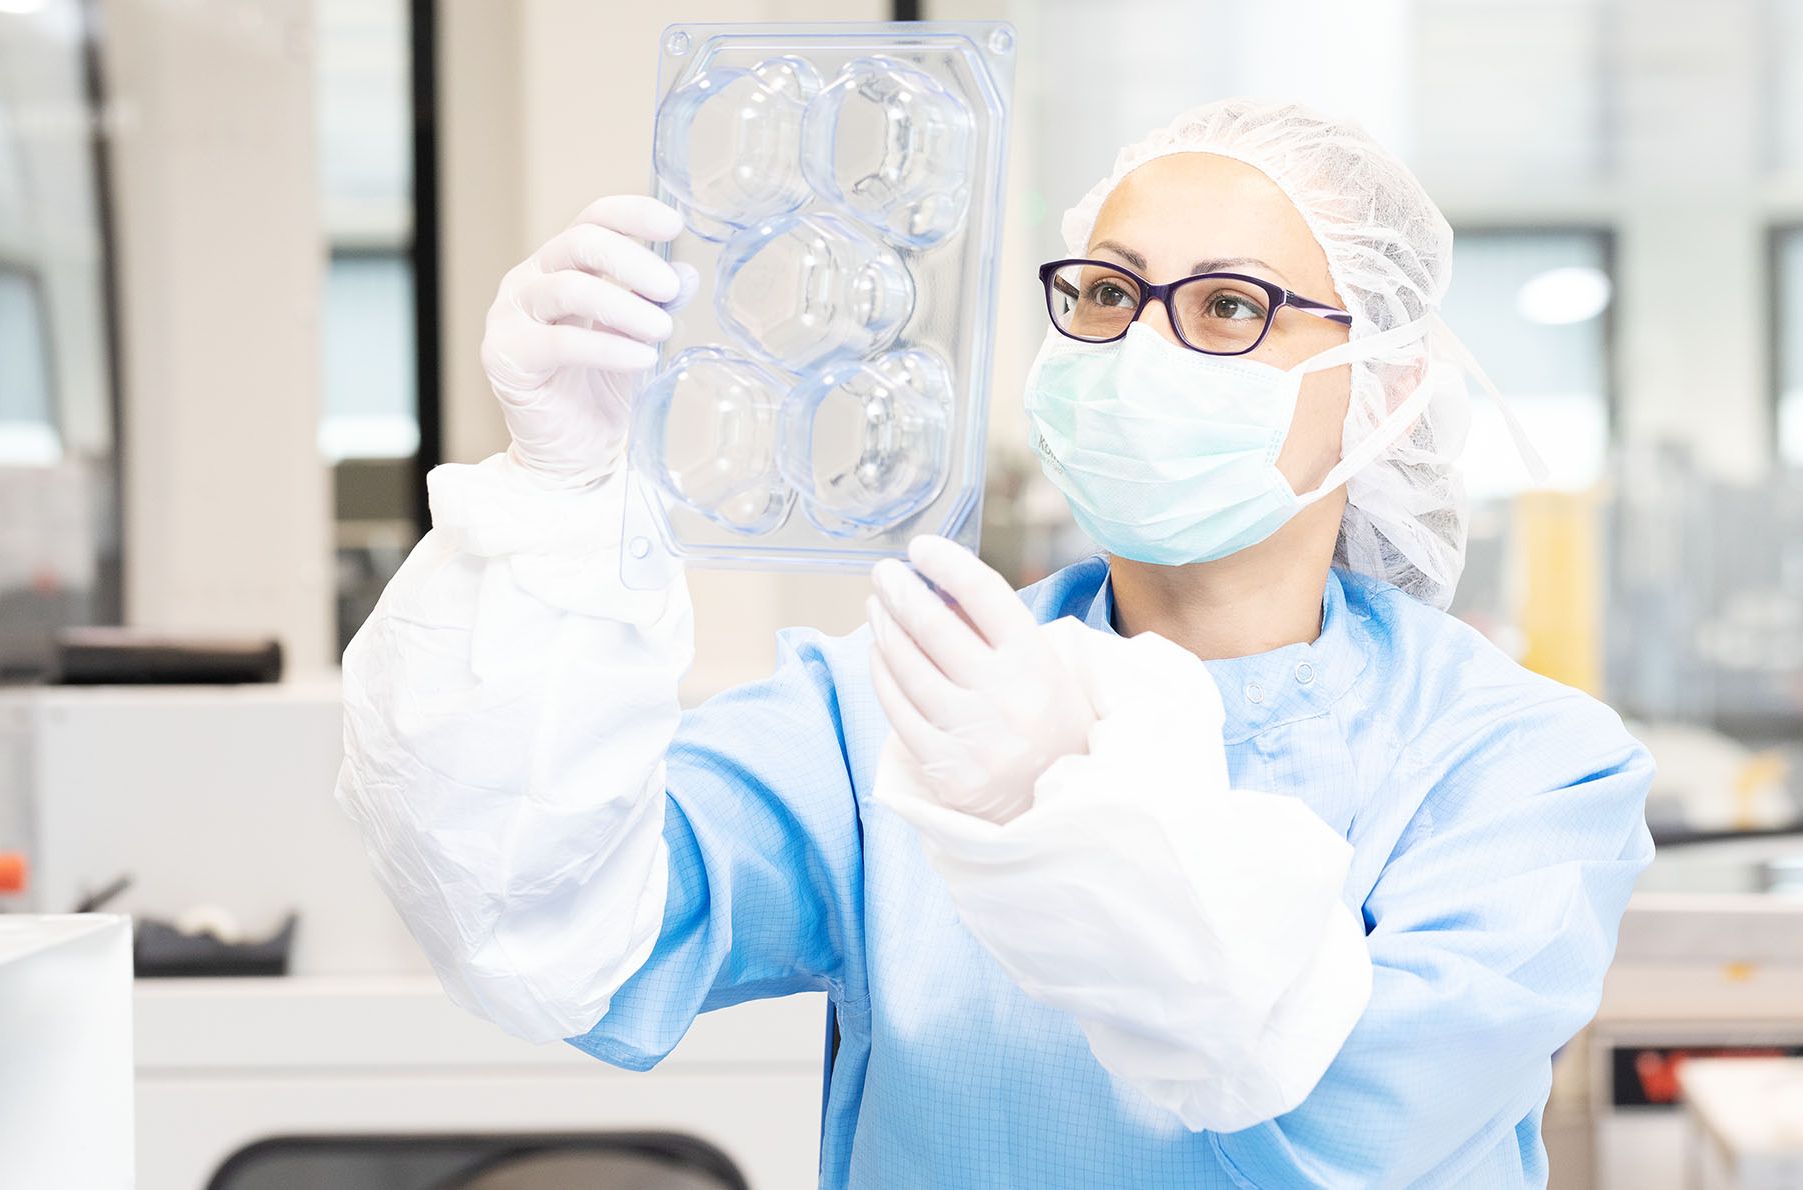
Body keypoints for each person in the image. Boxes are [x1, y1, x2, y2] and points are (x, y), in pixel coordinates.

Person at [337, 99, 1654, 1187]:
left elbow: (1352, 1103)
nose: (1141, 347)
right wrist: (554, 498)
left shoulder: (1518, 766)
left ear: (1383, 382)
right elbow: (550, 924)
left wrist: (1074, 810)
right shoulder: (894, 700)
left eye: (1227, 309)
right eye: (1104, 292)